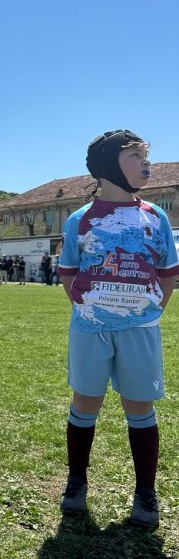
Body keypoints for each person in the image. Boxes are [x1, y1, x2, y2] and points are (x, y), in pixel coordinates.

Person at [57, 130, 179, 529]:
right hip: (91, 329)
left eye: (147, 155)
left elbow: (167, 272)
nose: (147, 163)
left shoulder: (155, 217)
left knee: (140, 406)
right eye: (135, 155)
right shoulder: (80, 219)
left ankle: (146, 494)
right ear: (108, 163)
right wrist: (89, 308)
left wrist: (151, 311)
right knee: (85, 402)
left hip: (140, 329)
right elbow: (69, 271)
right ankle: (76, 483)